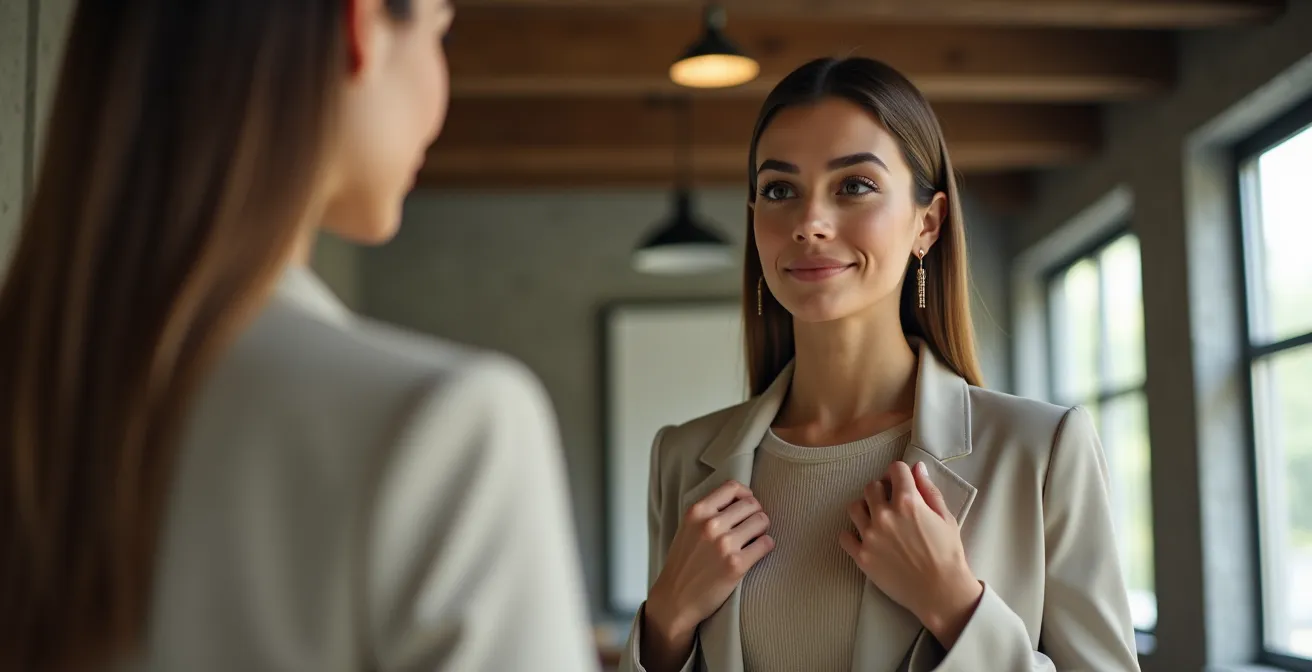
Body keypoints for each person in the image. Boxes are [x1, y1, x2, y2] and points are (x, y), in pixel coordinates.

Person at [0, 1, 599, 671]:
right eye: (443, 33)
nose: (442, 89)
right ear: (361, 26)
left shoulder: (38, 397)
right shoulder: (449, 427)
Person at [620, 56, 1141, 672]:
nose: (810, 223)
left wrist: (956, 607)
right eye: (779, 190)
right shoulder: (682, 458)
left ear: (928, 223)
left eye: (854, 185)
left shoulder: (1041, 450)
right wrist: (665, 624)